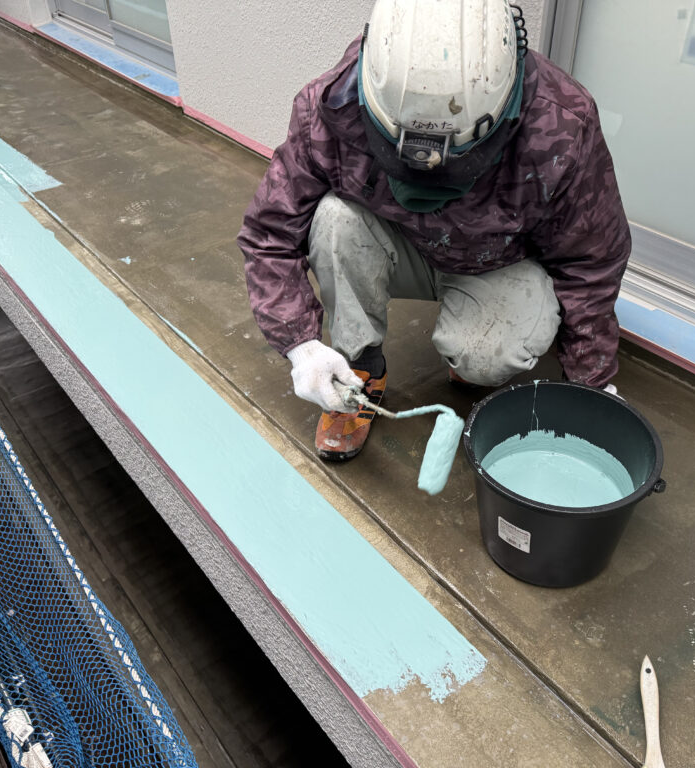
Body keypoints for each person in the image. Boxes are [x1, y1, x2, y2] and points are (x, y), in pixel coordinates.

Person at [237, 0, 630, 462]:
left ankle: (471, 358)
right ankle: (359, 371)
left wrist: (592, 385)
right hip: (397, 244)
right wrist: (300, 345)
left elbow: (590, 260)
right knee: (333, 219)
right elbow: (270, 233)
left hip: (496, 262)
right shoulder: (330, 106)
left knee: (488, 357)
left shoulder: (561, 124)